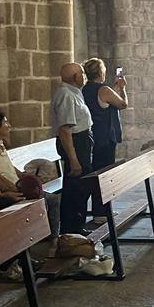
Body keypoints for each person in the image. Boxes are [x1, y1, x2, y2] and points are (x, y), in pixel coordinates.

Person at [51, 62, 93, 235]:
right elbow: (65, 129)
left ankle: (77, 225)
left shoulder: (74, 92)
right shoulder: (66, 94)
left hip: (81, 141)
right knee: (75, 188)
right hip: (75, 144)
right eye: (82, 73)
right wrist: (74, 160)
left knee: (82, 186)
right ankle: (71, 229)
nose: (84, 75)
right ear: (75, 77)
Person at [82, 58, 128, 216]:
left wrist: (114, 87)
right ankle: (102, 212)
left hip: (92, 136)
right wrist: (122, 88)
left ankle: (98, 210)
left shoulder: (85, 89)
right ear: (101, 72)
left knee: (96, 172)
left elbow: (104, 100)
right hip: (106, 138)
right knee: (104, 175)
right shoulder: (104, 89)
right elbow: (122, 104)